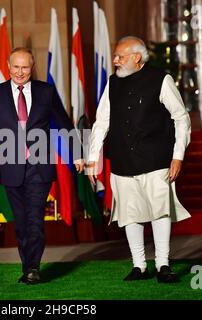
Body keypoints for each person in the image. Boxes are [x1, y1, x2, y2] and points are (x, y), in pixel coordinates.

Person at [87, 36, 191, 283]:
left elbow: (181, 118)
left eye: (120, 57)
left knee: (160, 211)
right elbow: (101, 121)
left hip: (157, 159)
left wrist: (178, 156)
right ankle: (139, 265)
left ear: (137, 57)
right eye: (115, 56)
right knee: (130, 213)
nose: (115, 61)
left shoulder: (161, 79)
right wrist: (92, 158)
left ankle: (164, 264)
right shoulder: (112, 83)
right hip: (123, 160)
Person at [0, 47, 84, 284]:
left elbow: (65, 123)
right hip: (10, 164)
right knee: (22, 220)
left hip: (40, 166)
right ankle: (27, 265)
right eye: (16, 67)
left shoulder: (45, 92)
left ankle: (33, 268)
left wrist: (76, 153)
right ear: (8, 66)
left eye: (25, 67)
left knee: (35, 216)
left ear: (32, 67)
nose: (20, 72)